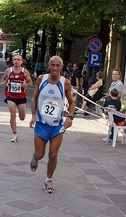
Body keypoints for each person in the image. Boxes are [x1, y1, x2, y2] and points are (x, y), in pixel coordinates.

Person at [29, 55, 75, 194]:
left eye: (58, 65)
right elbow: (34, 98)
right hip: (42, 123)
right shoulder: (41, 79)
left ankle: (48, 180)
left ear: (62, 67)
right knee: (40, 154)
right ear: (48, 66)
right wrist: (33, 115)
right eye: (52, 65)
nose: (55, 68)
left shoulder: (65, 83)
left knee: (53, 154)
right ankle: (34, 158)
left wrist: (70, 117)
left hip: (57, 126)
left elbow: (72, 103)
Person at [0, 54, 33, 142]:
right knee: (12, 114)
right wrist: (2, 82)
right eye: (15, 59)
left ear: (21, 61)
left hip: (21, 96)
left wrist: (26, 84)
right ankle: (14, 134)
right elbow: (3, 78)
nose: (16, 61)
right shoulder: (8, 70)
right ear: (12, 61)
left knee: (22, 117)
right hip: (10, 95)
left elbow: (30, 82)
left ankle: (16, 130)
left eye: (18, 60)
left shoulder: (25, 72)